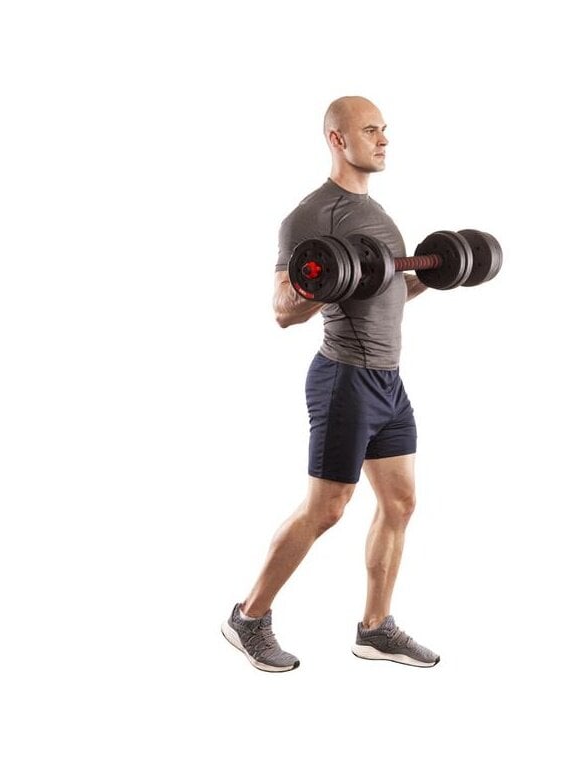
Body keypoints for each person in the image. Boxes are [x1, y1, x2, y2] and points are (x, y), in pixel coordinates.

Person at [221, 96, 439, 672]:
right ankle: (248, 617)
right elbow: (283, 310)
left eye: (384, 129)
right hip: (345, 378)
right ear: (337, 140)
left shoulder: (378, 215)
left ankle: (376, 629)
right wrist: (324, 284)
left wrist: (432, 274)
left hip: (388, 381)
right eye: (370, 130)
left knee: (400, 502)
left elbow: (385, 292)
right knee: (328, 508)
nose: (384, 139)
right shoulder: (312, 216)